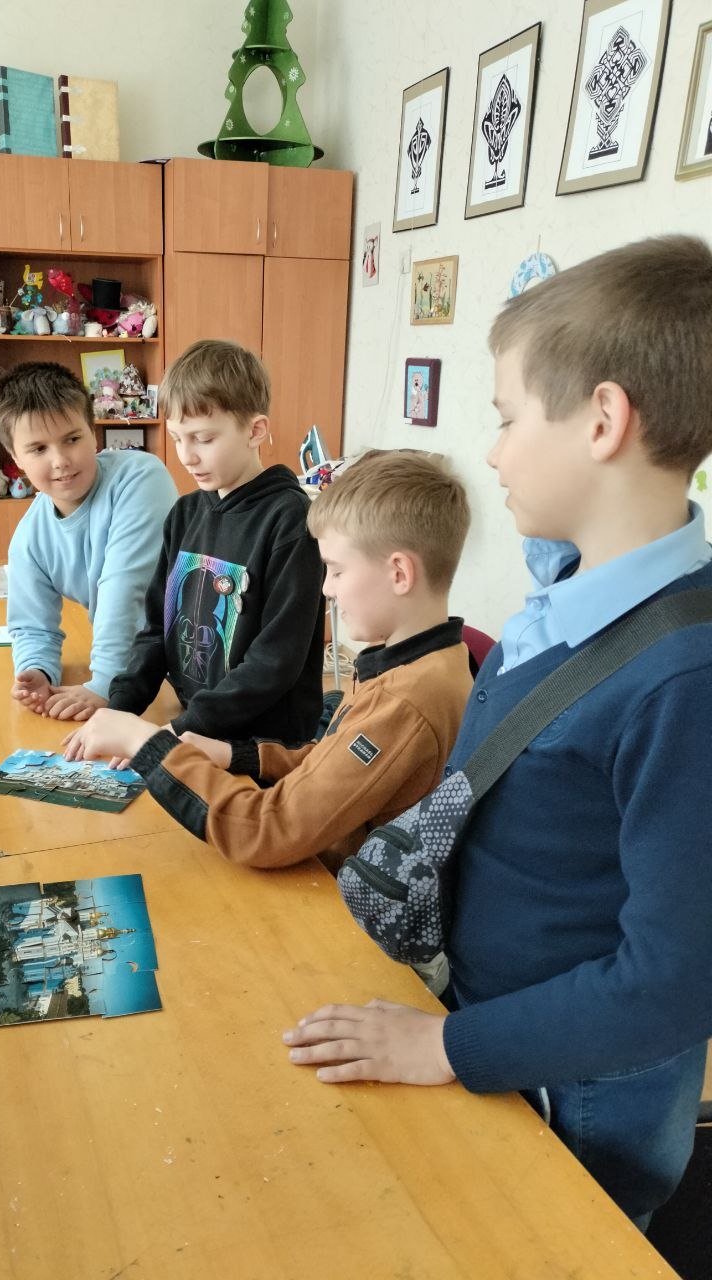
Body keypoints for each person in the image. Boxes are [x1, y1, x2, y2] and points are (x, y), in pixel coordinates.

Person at [282, 235, 712, 1228]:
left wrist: (442, 1048)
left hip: (576, 1092)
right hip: (490, 1024)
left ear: (602, 420)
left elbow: (673, 983)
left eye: (509, 417)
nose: (493, 450)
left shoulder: (685, 679)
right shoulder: (569, 591)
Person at [63, 450, 473, 871]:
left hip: (330, 890)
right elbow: (329, 762)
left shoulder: (402, 703)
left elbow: (266, 830)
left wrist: (146, 745)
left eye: (336, 570)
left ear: (399, 573)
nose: (327, 589)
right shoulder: (423, 662)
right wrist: (236, 755)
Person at [104, 338, 326, 744]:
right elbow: (155, 630)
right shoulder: (185, 514)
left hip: (264, 743)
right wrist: (118, 709)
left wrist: (180, 731)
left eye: (203, 439)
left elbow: (274, 662)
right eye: (177, 438)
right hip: (196, 727)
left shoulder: (290, 521)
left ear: (255, 431)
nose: (186, 456)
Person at [0, 361, 177, 720]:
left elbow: (124, 585)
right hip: (141, 671)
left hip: (192, 661)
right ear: (15, 458)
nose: (60, 461)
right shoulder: (29, 537)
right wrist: (38, 670)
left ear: (94, 433)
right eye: (38, 449)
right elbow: (32, 625)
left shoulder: (141, 477)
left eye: (72, 439)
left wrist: (106, 682)